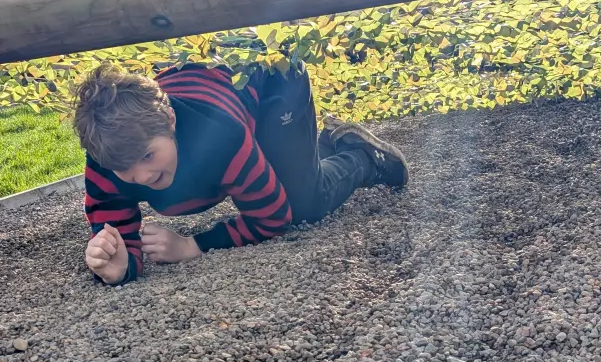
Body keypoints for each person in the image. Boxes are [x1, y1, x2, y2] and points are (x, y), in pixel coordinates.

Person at [72, 59, 409, 286]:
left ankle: (363, 156)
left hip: (272, 77)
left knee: (303, 205)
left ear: (170, 121)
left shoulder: (220, 137)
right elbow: (117, 237)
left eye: (148, 156)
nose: (143, 176)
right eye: (125, 170)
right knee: (291, 177)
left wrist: (194, 244)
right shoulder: (107, 157)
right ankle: (322, 148)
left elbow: (273, 217)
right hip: (211, 85)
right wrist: (119, 267)